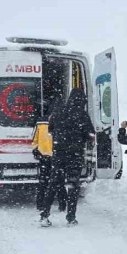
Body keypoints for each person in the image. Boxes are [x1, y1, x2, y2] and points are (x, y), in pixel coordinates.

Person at [38, 88, 94, 227]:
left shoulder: (58, 112)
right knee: (73, 185)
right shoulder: (82, 115)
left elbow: (50, 130)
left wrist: (61, 136)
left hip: (58, 154)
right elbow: (90, 135)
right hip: (75, 155)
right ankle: (70, 217)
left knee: (53, 183)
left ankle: (44, 215)